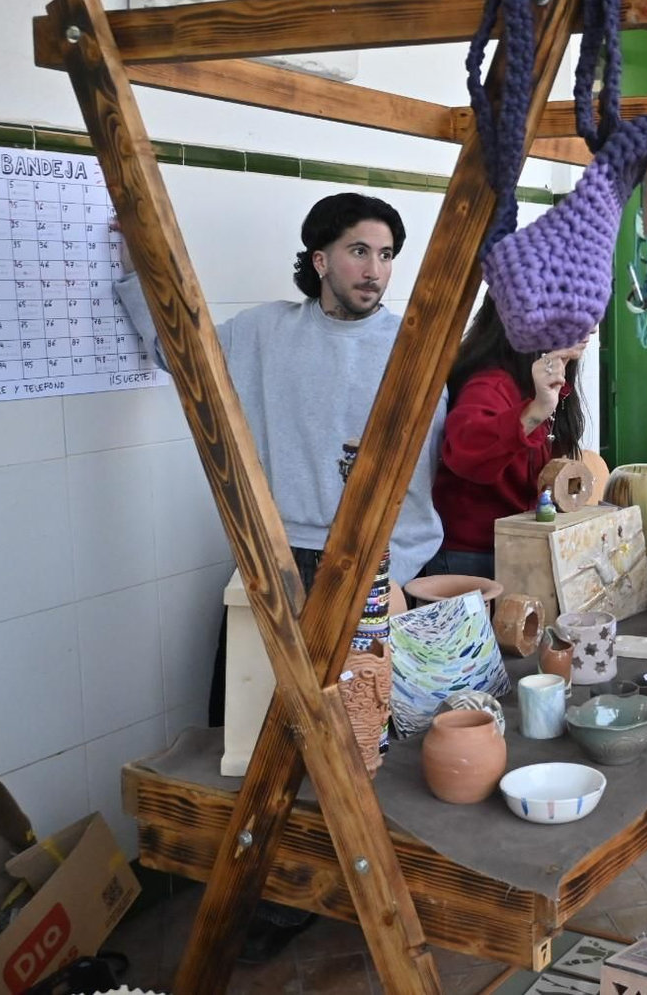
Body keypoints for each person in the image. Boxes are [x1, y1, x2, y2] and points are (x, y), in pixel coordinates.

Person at [114, 192, 445, 963]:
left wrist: (403, 570)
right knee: (256, 738)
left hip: (369, 563)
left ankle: (345, 897)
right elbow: (181, 351)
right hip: (272, 558)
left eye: (388, 253)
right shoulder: (266, 333)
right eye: (361, 251)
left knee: (354, 747)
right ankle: (265, 885)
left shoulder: (412, 346)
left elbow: (420, 482)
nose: (377, 270)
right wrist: (137, 269)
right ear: (320, 258)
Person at [429, 297, 588, 577]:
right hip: (471, 559)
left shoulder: (544, 386)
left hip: (515, 547)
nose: (591, 330)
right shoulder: (490, 384)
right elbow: (464, 452)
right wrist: (537, 409)